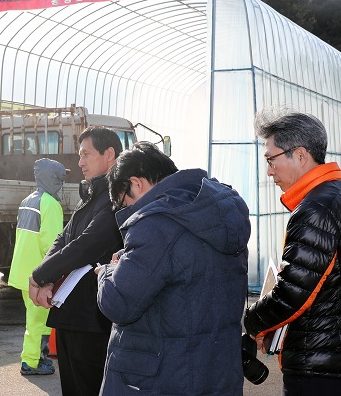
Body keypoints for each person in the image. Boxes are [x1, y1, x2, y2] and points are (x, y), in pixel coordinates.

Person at [95, 141, 250, 395]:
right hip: (217, 373)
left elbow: (119, 303)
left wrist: (107, 273)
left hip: (163, 379)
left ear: (136, 183)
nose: (127, 211)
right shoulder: (217, 209)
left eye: (124, 203)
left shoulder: (155, 223)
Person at [244, 109, 341, 396]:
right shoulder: (333, 195)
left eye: (271, 159)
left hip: (319, 366)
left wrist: (253, 323)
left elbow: (294, 293)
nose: (269, 170)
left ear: (300, 155)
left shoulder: (316, 208)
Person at [29, 126, 124, 396]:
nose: (80, 162)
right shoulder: (92, 194)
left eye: (86, 154)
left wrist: (38, 277)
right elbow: (63, 237)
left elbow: (85, 246)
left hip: (93, 318)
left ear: (109, 154)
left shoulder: (115, 197)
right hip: (71, 314)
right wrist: (43, 278)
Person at [8, 158, 67, 376]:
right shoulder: (50, 204)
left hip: (23, 271)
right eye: (59, 177)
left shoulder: (27, 200)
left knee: (33, 319)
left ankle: (31, 358)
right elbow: (52, 244)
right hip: (38, 274)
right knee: (39, 321)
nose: (61, 181)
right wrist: (50, 276)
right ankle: (32, 361)